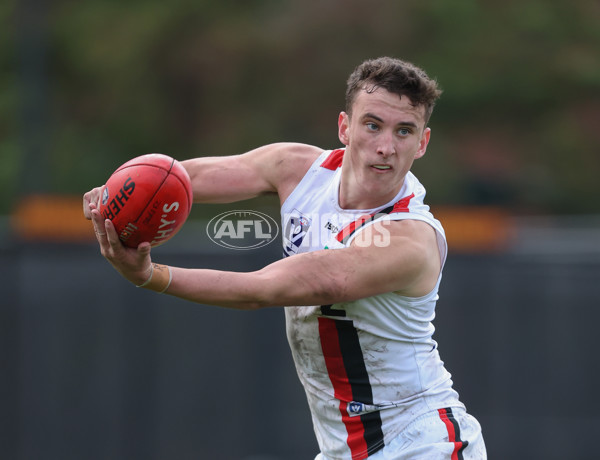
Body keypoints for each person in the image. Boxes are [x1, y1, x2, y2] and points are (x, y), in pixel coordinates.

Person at [84, 56, 486, 459]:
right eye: (372, 125)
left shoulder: (407, 239)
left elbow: (262, 288)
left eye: (404, 131)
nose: (386, 146)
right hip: (347, 449)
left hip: (419, 443)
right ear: (345, 127)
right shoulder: (297, 168)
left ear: (422, 143)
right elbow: (183, 181)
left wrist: (150, 275)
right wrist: (118, 192)